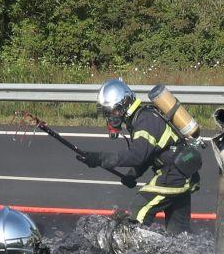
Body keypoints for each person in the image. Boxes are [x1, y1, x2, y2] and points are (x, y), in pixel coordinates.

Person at [82, 77, 200, 228]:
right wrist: (133, 174)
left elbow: (137, 155)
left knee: (139, 210)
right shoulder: (141, 118)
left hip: (173, 174)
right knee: (179, 232)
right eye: (107, 113)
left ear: (125, 104)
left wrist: (100, 158)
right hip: (181, 171)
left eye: (113, 111)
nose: (111, 117)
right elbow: (148, 154)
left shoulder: (145, 120)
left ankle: (135, 244)